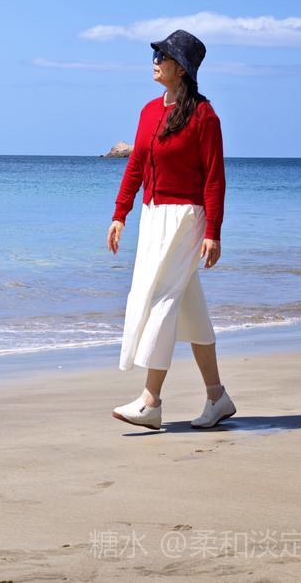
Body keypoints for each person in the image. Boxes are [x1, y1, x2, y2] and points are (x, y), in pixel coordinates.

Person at [106, 29, 236, 431]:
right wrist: (120, 213)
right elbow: (136, 165)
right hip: (153, 216)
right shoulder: (149, 111)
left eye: (162, 56)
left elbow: (214, 178)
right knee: (187, 304)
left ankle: (151, 401)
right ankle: (217, 397)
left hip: (186, 219)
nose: (156, 61)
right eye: (157, 55)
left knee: (160, 298)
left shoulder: (204, 116)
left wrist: (213, 232)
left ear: (181, 68)